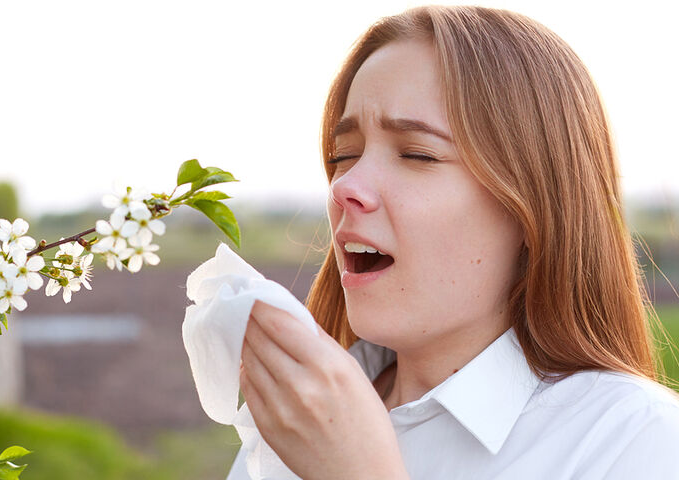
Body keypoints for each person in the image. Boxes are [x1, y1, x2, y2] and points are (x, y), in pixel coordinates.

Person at [230, 5, 679, 479]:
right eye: (345, 154)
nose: (344, 187)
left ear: (534, 207)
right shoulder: (297, 411)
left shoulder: (635, 442)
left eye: (417, 154)